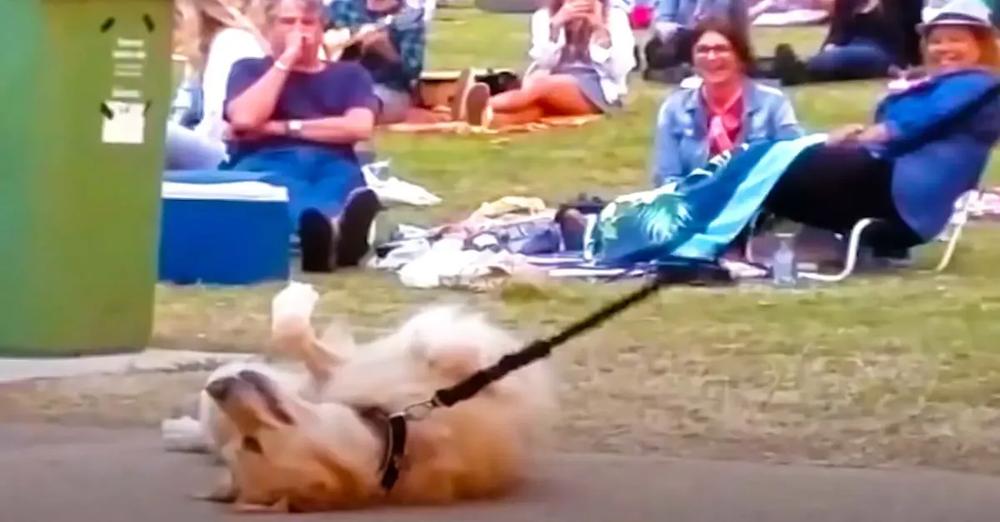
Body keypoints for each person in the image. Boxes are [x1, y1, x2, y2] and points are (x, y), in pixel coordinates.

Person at [761, 0, 1000, 255]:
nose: (943, 48)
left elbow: (917, 122)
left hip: (902, 202)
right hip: (903, 204)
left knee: (778, 166)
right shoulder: (942, 85)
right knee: (787, 160)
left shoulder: (981, 83)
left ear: (981, 45)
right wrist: (863, 133)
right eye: (936, 41)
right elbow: (909, 128)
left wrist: (877, 132)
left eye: (956, 39)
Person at [224, 0, 382, 273]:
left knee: (340, 185)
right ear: (269, 28)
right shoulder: (249, 69)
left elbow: (358, 127)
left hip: (333, 160)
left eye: (307, 23)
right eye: (288, 22)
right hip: (267, 160)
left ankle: (330, 235)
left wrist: (280, 127)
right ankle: (333, 237)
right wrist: (285, 61)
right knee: (287, 191)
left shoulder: (350, 74)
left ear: (321, 29)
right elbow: (245, 118)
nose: (299, 31)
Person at [650, 18, 803, 187]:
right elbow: (667, 177)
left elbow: (794, 164)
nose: (711, 57)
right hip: (695, 204)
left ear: (740, 57)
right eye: (702, 50)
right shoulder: (674, 109)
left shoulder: (774, 104)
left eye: (721, 49)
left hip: (758, 201)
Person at [454, 0, 636, 127]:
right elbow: (543, 60)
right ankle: (483, 117)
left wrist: (600, 31)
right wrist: (555, 26)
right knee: (533, 111)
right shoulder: (545, 16)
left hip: (598, 91)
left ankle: (479, 105)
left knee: (540, 86)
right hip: (554, 84)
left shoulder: (615, 17)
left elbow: (620, 70)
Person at [167, 0, 268, 169]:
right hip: (205, 141)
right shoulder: (203, 52)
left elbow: (218, 121)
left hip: (225, 151)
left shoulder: (230, 42)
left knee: (154, 133)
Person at [326, 0, 427, 124]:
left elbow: (413, 71)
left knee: (360, 106)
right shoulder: (342, 6)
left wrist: (387, 51)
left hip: (386, 89)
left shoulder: (409, 18)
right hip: (337, 84)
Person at [774, 0, 906, 83]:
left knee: (859, 55)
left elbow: (911, 28)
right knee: (838, 56)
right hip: (850, 46)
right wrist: (829, 45)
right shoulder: (846, 2)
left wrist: (911, 66)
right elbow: (837, 31)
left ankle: (801, 69)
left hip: (884, 52)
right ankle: (799, 69)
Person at [643, 0, 750, 81]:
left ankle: (686, 70)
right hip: (682, 38)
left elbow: (737, 26)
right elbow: (664, 22)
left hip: (717, 35)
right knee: (657, 47)